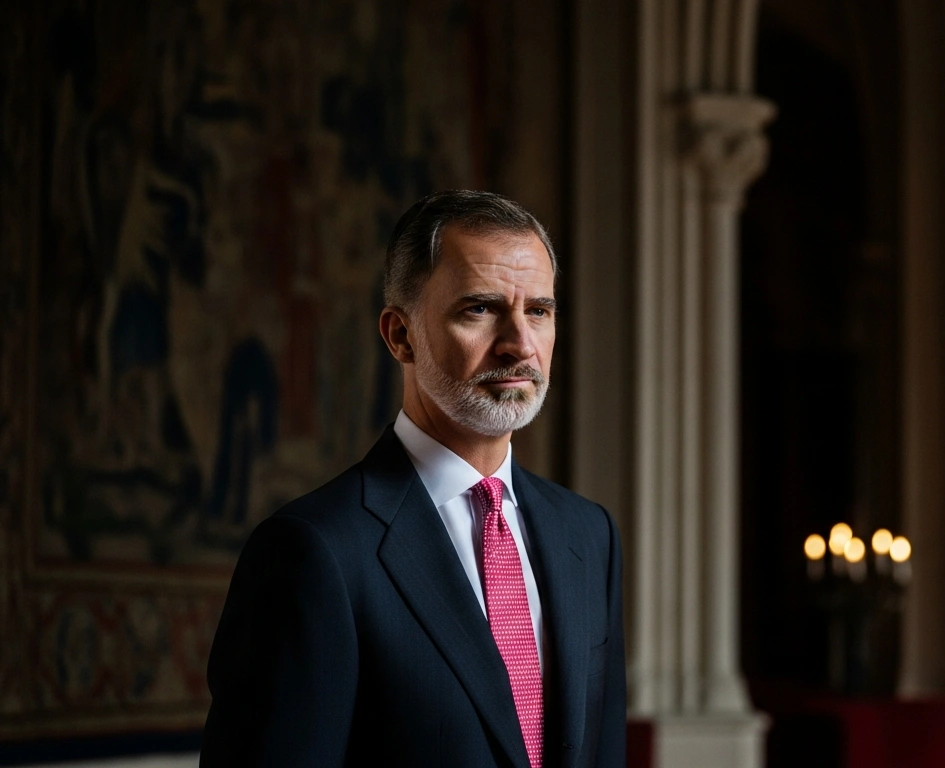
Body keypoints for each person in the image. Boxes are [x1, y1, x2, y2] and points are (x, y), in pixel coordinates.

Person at [201, 191, 626, 767]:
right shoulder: (313, 551)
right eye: (480, 309)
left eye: (539, 311)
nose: (520, 344)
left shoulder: (588, 534)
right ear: (400, 335)